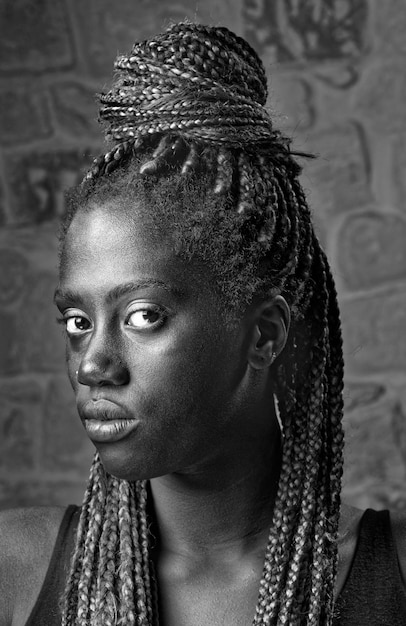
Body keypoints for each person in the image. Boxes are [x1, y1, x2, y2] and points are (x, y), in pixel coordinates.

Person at [1, 21, 406, 626]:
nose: (92, 364)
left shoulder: (392, 576)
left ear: (265, 334)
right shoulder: (16, 571)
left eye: (142, 316)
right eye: (78, 321)